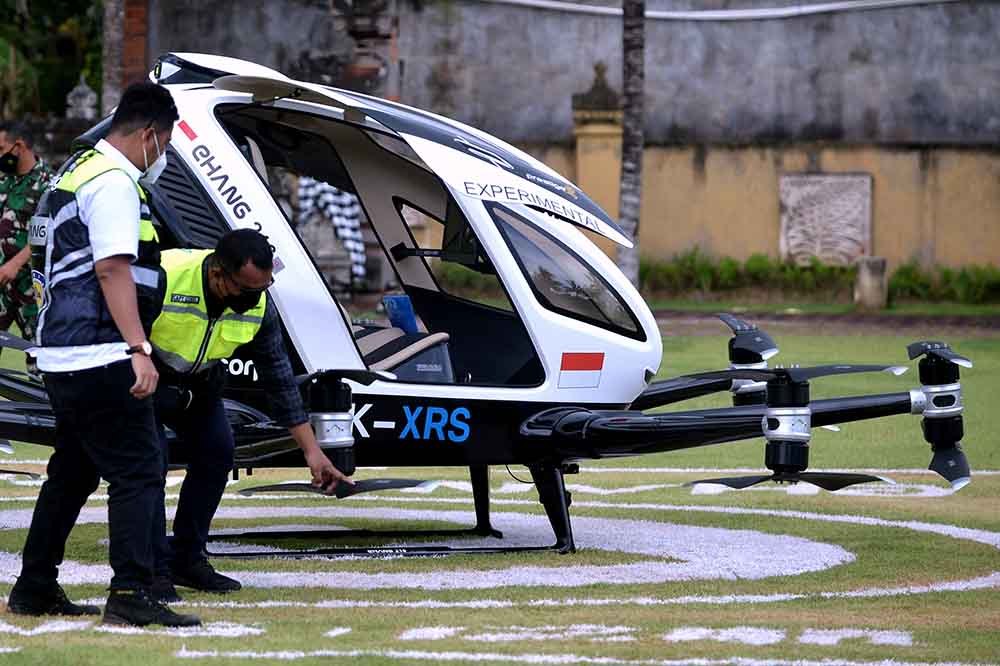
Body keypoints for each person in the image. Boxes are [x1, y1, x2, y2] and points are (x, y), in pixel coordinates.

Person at [7, 83, 200, 628]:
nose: (160, 157)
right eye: (162, 145)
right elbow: (112, 269)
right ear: (147, 135)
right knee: (141, 469)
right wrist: (139, 348)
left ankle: (35, 584)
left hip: (60, 354)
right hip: (99, 352)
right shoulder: (114, 183)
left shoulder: (72, 172)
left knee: (71, 473)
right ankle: (132, 590)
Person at [149, 229, 352, 601]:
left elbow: (279, 379)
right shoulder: (166, 273)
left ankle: (187, 558)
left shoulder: (259, 302)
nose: (254, 299)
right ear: (217, 274)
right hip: (145, 375)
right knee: (150, 463)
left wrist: (312, 451)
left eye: (263, 288)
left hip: (200, 382)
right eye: (246, 289)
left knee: (217, 453)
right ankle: (151, 569)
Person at [0, 121, 52, 373]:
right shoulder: (2, 179)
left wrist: (16, 262)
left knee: (39, 363)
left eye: (1, 149)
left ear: (18, 147)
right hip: (1, 287)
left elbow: (48, 231)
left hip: (31, 288)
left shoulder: (48, 184)